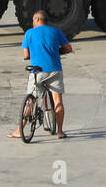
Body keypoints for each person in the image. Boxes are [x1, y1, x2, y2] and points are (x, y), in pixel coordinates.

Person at [8, 10, 73, 138]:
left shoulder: (29, 33)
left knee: (31, 100)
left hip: (37, 71)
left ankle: (19, 130)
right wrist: (58, 51)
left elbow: (26, 55)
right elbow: (69, 48)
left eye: (33, 20)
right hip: (54, 70)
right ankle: (60, 131)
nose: (32, 22)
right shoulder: (56, 32)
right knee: (57, 100)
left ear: (37, 19)